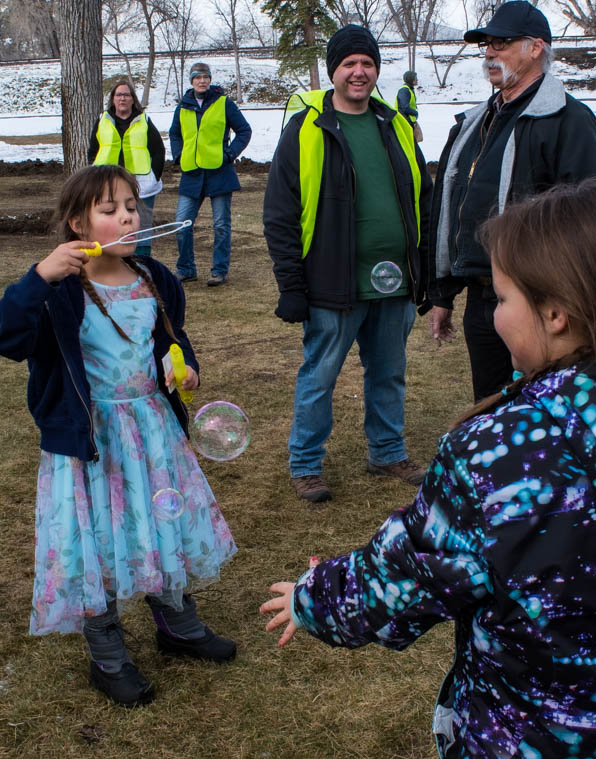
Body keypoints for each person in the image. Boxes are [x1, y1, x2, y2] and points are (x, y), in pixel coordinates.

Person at [261, 183, 596, 759]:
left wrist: (312, 597)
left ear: (555, 314)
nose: (494, 315)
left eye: (501, 298)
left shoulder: (500, 454)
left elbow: (402, 579)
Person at [0, 165, 238, 708]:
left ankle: (177, 623)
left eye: (130, 206)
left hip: (152, 427)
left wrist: (184, 369)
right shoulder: (58, 290)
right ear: (78, 224)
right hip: (91, 437)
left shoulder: (154, 277)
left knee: (159, 519)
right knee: (98, 537)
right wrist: (39, 276)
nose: (126, 216)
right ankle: (108, 653)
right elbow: (2, 337)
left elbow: (173, 340)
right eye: (109, 209)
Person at [263, 25, 432, 504]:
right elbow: (279, 214)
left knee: (389, 374)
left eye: (368, 63)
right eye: (349, 64)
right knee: (319, 377)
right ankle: (306, 465)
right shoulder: (306, 129)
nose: (359, 72)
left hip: (394, 283)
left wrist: (424, 273)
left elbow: (423, 198)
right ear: (334, 71)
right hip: (332, 284)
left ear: (377, 70)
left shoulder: (396, 124)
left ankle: (387, 452)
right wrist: (291, 286)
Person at [427, 0, 596, 401]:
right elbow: (449, 208)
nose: (490, 53)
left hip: (540, 297)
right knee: (489, 403)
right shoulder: (474, 123)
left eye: (502, 43)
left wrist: (564, 301)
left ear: (535, 47)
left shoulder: (569, 122)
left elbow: (589, 217)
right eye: (487, 45)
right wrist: (442, 296)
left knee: (540, 405)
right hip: (483, 296)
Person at [170, 63, 252, 287]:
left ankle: (219, 270)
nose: (202, 81)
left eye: (206, 77)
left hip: (220, 172)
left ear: (210, 80)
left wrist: (230, 154)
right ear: (192, 81)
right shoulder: (183, 106)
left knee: (221, 225)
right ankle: (186, 269)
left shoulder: (224, 103)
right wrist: (178, 155)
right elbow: (175, 133)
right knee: (182, 223)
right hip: (192, 173)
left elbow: (244, 131)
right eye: (198, 77)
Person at [87, 80, 165, 258]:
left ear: (133, 99)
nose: (122, 98)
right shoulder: (102, 120)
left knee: (142, 222)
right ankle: (115, 259)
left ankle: (142, 261)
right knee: (112, 220)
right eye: (119, 95)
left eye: (126, 94)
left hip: (141, 182)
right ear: (113, 99)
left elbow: (158, 151)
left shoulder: (144, 120)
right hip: (108, 180)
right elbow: (93, 150)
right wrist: (95, 171)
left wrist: (154, 176)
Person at [395, 70, 422, 143]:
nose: (417, 80)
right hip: (405, 121)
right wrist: (415, 113)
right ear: (411, 79)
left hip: (409, 121)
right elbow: (404, 107)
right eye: (415, 78)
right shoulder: (404, 90)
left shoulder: (409, 89)